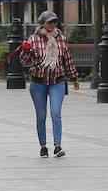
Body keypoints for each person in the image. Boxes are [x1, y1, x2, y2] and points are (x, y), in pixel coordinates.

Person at [18, 10, 78, 158]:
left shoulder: (61, 39)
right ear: (42, 23)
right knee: (41, 116)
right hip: (38, 82)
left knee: (56, 113)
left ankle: (58, 145)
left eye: (54, 21)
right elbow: (24, 62)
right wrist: (25, 51)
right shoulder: (33, 39)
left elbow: (67, 60)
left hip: (57, 81)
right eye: (49, 21)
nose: (52, 24)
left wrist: (74, 77)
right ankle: (43, 146)